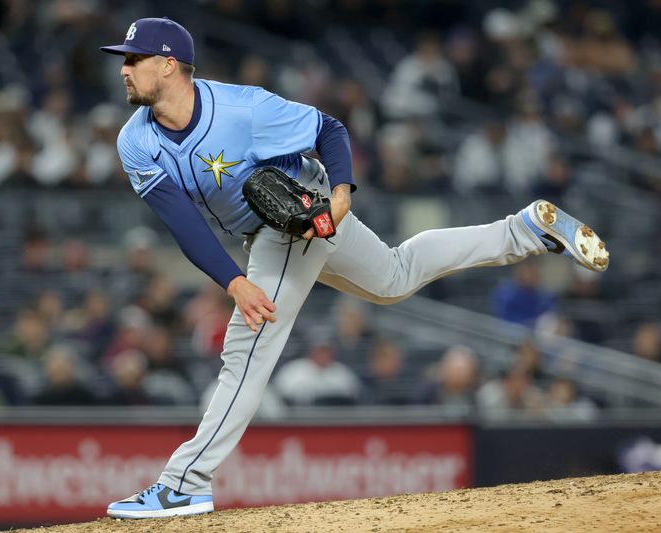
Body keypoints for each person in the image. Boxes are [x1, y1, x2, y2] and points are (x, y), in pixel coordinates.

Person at [99, 17, 610, 519]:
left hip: (302, 213)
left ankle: (183, 485)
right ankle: (524, 230)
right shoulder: (135, 140)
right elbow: (182, 222)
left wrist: (340, 196)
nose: (124, 69)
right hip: (265, 227)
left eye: (134, 59)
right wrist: (234, 281)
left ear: (169, 65)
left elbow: (329, 129)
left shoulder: (242, 108)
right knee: (394, 277)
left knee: (247, 350)